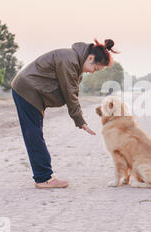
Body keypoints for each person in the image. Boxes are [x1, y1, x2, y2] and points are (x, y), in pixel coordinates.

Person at [10, 38, 119, 189]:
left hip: (31, 91)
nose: (93, 72)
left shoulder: (73, 61)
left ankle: (43, 176)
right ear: (91, 58)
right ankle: (44, 178)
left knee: (34, 133)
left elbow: (70, 91)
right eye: (96, 69)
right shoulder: (70, 60)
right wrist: (80, 121)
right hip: (27, 90)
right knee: (33, 134)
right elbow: (70, 93)